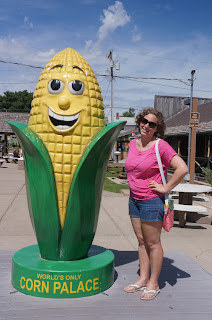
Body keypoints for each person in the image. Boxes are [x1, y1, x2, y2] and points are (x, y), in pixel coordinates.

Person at [124, 108, 188, 300]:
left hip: (151, 200)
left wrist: (164, 188)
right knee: (141, 241)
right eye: (144, 121)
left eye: (152, 124)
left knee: (153, 243)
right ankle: (143, 279)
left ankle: (153, 283)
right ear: (139, 121)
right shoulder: (133, 144)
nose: (147, 126)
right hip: (134, 199)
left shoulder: (160, 146)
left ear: (157, 128)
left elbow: (182, 168)